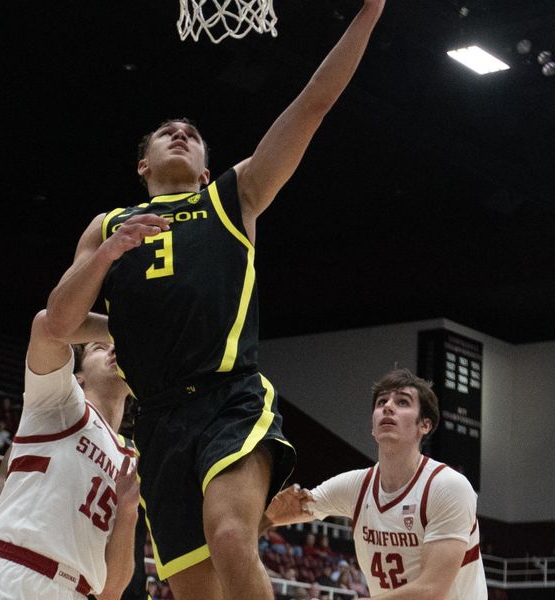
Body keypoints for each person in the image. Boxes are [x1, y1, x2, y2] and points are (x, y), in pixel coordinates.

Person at [45, 2, 386, 598]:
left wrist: (370, 12)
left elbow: (313, 103)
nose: (182, 135)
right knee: (195, 590)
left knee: (231, 535)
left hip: (228, 397)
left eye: (194, 135)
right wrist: (109, 275)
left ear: (204, 169)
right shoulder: (109, 223)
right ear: (143, 162)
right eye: (167, 132)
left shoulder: (234, 198)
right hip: (158, 424)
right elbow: (60, 321)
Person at [0, 310, 139, 600]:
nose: (114, 347)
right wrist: (129, 329)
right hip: (14, 576)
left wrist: (129, 512)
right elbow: (48, 327)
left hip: (77, 592)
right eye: (98, 346)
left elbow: (111, 592)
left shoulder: (130, 460)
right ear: (78, 376)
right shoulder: (60, 404)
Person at [266, 368, 488, 599]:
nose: (388, 407)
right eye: (382, 402)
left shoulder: (448, 486)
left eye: (402, 402)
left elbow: (431, 591)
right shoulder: (355, 486)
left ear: (425, 425)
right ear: (373, 427)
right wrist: (262, 515)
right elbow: (288, 510)